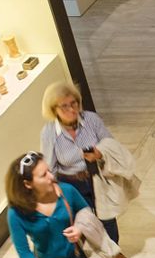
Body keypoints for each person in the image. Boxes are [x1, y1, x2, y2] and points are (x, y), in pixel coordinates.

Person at [40, 82, 128, 246]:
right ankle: (97, 251)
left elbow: (110, 143)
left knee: (107, 215)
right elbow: (50, 166)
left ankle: (114, 249)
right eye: (64, 106)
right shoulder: (49, 132)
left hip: (96, 175)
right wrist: (54, 189)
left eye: (74, 103)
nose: (72, 110)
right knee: (85, 218)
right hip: (72, 183)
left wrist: (99, 153)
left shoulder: (91, 119)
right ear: (54, 110)